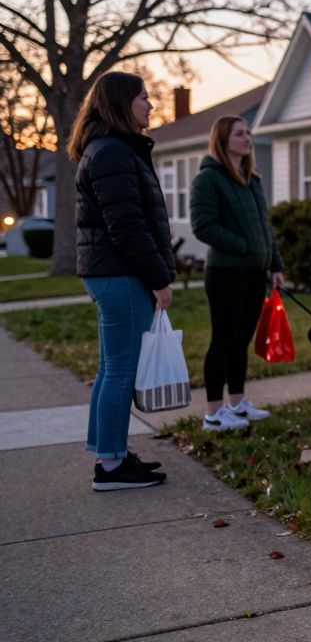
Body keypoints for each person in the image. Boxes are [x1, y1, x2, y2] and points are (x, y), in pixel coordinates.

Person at [72, 71, 173, 491]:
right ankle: (111, 467)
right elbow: (127, 225)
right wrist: (159, 278)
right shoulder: (112, 152)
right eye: (143, 97)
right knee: (120, 371)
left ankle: (109, 454)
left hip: (109, 271)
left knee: (111, 368)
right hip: (120, 273)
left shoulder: (109, 148)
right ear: (120, 103)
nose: (150, 105)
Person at [189, 116, 283, 431]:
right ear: (223, 140)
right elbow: (203, 226)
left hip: (255, 273)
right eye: (240, 134)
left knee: (241, 341)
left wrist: (275, 265)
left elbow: (264, 227)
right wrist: (243, 246)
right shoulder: (208, 179)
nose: (247, 138)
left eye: (248, 133)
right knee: (223, 341)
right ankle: (213, 413)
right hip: (225, 273)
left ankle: (237, 404)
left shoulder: (251, 179)